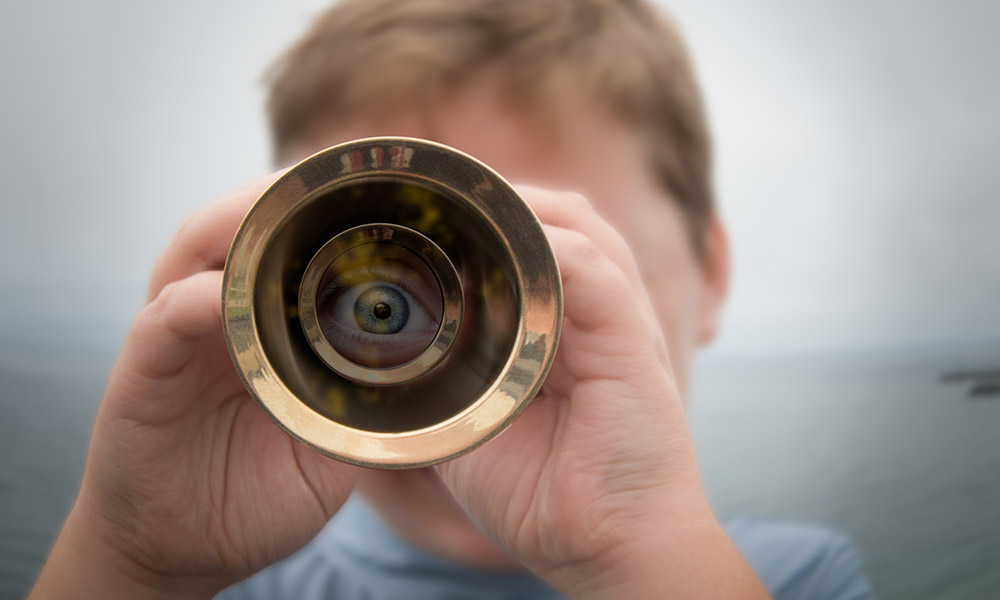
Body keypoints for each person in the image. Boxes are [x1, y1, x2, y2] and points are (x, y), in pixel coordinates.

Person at [29, 0, 873, 598]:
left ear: (710, 275)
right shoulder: (230, 581)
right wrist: (132, 565)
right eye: (370, 291)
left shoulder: (795, 580)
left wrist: (645, 559)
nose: (477, 368)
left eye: (559, 275)